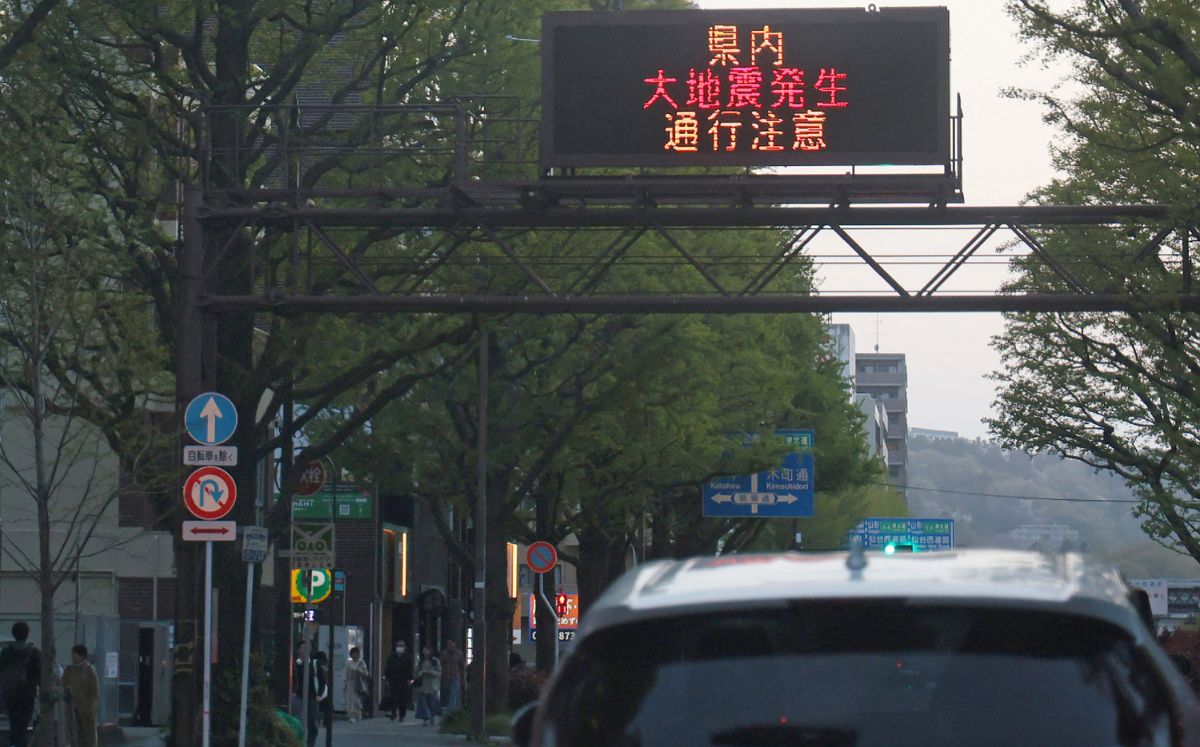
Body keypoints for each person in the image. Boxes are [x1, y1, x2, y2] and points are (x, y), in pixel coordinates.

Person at [0, 621, 42, 747]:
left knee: (14, 723)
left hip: (10, 694)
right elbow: (39, 674)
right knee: (23, 726)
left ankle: (15, 743)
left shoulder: (6, 653)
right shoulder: (34, 653)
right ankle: (19, 744)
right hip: (27, 694)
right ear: (27, 634)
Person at [61, 645, 99, 747]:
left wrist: (89, 705)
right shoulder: (69, 670)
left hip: (86, 709)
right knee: (73, 733)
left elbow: (94, 691)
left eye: (74, 654)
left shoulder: (90, 670)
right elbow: (62, 684)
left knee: (88, 735)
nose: (72, 657)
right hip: (72, 708)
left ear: (81, 656)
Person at [292, 641, 325, 747]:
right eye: (302, 648)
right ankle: (298, 743)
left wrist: (319, 695)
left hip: (312, 698)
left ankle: (310, 744)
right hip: (298, 697)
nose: (304, 650)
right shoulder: (294, 664)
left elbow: (322, 681)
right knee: (298, 722)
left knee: (312, 725)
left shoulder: (315, 664)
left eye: (307, 648)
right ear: (298, 650)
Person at [382, 640, 412, 722]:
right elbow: (387, 668)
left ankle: (402, 714)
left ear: (405, 647)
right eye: (398, 646)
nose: (400, 648)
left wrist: (410, 679)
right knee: (393, 697)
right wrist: (386, 678)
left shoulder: (408, 657)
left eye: (401, 646)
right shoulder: (392, 657)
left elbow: (410, 670)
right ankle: (393, 713)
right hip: (393, 680)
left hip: (404, 681)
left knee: (403, 699)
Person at [413, 646, 441, 725]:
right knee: (423, 703)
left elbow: (439, 672)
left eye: (427, 650)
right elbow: (416, 672)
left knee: (432, 702)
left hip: (432, 684)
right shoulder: (421, 661)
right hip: (423, 684)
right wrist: (421, 672)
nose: (425, 652)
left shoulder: (435, 661)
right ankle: (425, 718)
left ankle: (432, 716)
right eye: (424, 651)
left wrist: (430, 672)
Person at [438, 639, 465, 714]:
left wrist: (462, 677)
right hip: (446, 677)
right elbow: (440, 664)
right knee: (448, 694)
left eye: (451, 643)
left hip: (456, 676)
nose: (449, 645)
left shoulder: (459, 653)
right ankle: (452, 710)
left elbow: (462, 666)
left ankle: (452, 711)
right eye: (448, 643)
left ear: (454, 644)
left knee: (454, 694)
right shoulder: (444, 653)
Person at [344, 646, 368, 722]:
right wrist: (344, 682)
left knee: (357, 700)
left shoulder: (361, 662)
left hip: (358, 682)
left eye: (356, 653)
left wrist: (359, 672)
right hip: (350, 682)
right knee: (350, 699)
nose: (354, 655)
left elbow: (365, 673)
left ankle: (358, 714)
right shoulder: (348, 663)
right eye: (353, 653)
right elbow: (345, 673)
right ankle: (351, 715)